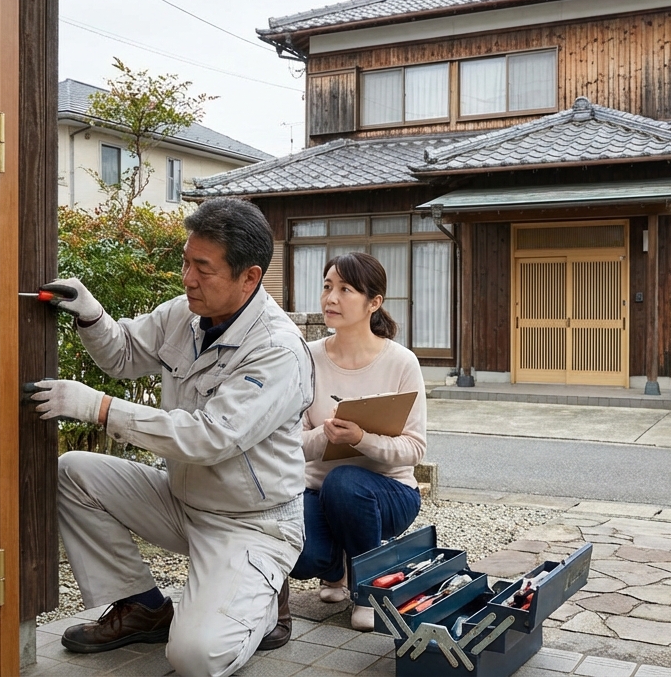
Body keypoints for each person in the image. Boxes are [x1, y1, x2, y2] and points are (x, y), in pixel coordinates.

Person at [28, 198, 312, 677]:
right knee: (73, 472)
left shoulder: (277, 351)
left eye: (203, 267)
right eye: (186, 261)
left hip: (250, 523)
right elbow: (121, 357)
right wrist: (91, 315)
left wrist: (98, 407)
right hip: (182, 499)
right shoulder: (183, 314)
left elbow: (211, 438)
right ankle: (142, 606)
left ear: (249, 277)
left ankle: (261, 602)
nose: (187, 278)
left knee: (195, 658)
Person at [285, 252, 427, 633]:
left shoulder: (401, 362)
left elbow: (414, 448)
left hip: (389, 492)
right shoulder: (306, 358)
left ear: (374, 302)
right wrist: (324, 435)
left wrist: (362, 439)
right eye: (327, 287)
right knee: (300, 557)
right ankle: (337, 570)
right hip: (316, 490)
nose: (331, 298)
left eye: (345, 289)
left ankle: (367, 593)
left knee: (346, 481)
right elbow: (288, 441)